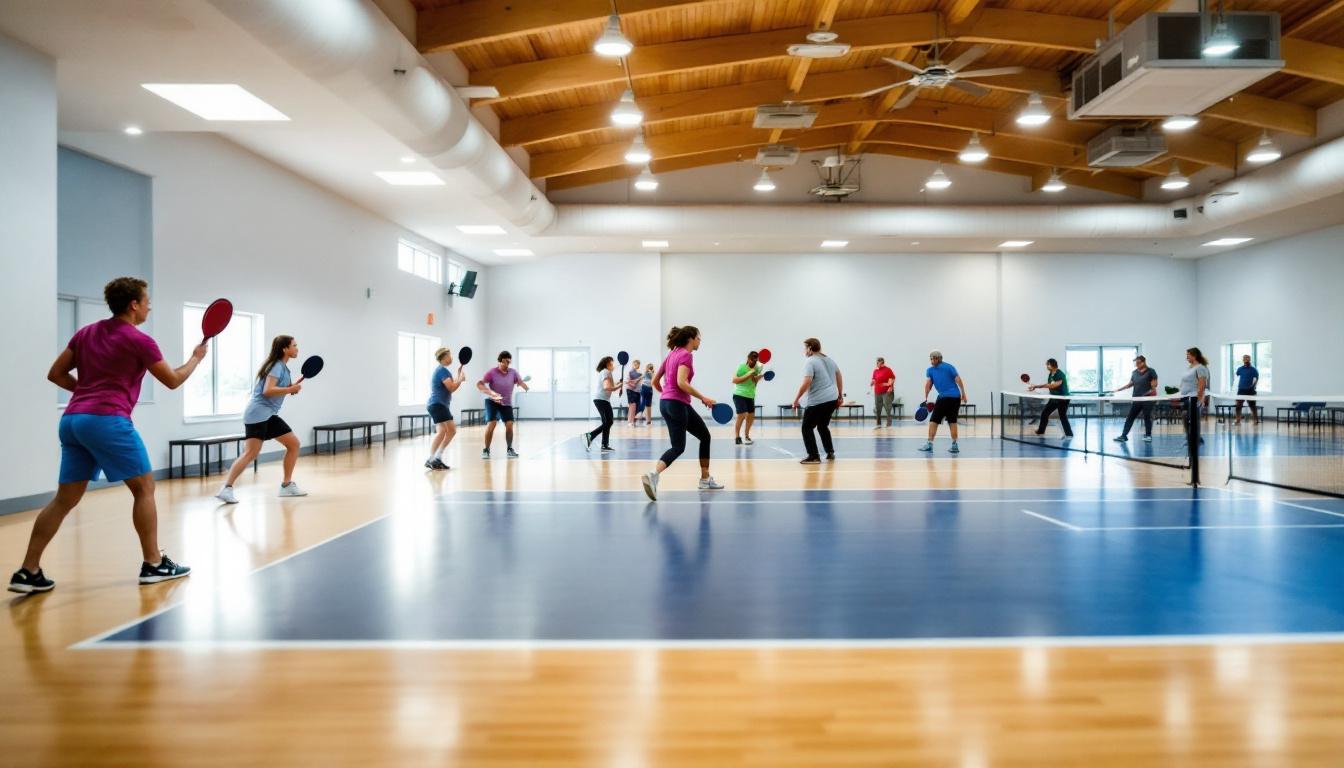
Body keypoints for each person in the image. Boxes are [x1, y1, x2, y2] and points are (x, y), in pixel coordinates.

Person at [9, 277, 202, 593]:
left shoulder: (86, 333)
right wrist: (196, 357)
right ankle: (154, 564)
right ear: (133, 304)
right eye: (146, 300)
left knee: (65, 498)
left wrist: (85, 393)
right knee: (144, 488)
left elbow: (55, 373)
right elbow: (172, 380)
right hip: (106, 420)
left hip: (72, 420)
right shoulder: (140, 340)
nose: (150, 305)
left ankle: (28, 571)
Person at [216, 335, 307, 502]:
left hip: (269, 414)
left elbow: (275, 390)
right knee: (250, 453)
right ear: (285, 349)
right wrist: (289, 389)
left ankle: (286, 485)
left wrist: (290, 388)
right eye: (294, 345)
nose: (297, 348)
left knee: (294, 444)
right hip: (258, 414)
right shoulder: (276, 366)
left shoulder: (283, 368)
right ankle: (226, 489)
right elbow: (268, 390)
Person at [641, 326, 723, 501]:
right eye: (699, 338)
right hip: (678, 404)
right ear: (692, 338)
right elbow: (681, 383)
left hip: (666, 403)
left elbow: (655, 381)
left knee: (701, 437)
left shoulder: (671, 354)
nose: (700, 341)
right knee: (682, 446)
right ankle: (654, 474)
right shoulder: (686, 355)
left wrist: (666, 394)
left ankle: (704, 479)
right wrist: (704, 398)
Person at [793, 339, 843, 464]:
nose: (804, 351)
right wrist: (840, 395)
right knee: (822, 426)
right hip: (832, 399)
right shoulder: (830, 360)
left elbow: (807, 382)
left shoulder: (810, 361)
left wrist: (796, 398)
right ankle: (830, 452)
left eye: (805, 348)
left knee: (806, 427)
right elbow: (839, 375)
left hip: (818, 401)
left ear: (810, 348)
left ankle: (814, 456)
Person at [477, 350, 529, 459]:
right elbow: (479, 384)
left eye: (509, 362)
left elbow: (520, 382)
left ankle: (510, 449)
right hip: (492, 402)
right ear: (499, 361)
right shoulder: (491, 372)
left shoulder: (513, 372)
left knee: (509, 425)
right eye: (505, 362)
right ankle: (486, 450)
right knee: (492, 424)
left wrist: (524, 385)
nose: (507, 365)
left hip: (506, 403)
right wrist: (491, 393)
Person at [424, 347, 466, 470]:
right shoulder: (442, 371)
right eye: (449, 355)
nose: (451, 357)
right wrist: (461, 380)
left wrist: (459, 375)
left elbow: (453, 384)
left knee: (447, 431)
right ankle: (433, 458)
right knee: (447, 431)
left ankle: (435, 458)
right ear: (443, 357)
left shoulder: (442, 371)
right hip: (438, 404)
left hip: (437, 405)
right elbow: (452, 388)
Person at [919, 350, 967, 453]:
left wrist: (926, 398)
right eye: (931, 358)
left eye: (934, 358)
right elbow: (958, 380)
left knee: (934, 421)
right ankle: (955, 445)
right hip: (956, 397)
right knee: (952, 421)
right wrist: (963, 394)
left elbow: (928, 385)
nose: (932, 360)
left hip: (945, 397)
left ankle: (929, 444)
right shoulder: (950, 367)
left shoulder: (931, 370)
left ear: (939, 358)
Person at [1112, 355, 1159, 443]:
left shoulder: (1151, 371)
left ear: (1143, 362)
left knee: (1147, 417)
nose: (1136, 364)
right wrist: (1118, 389)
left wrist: (1153, 388)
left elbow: (1154, 384)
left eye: (1138, 363)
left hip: (1147, 400)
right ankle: (1124, 436)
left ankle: (1148, 436)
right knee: (1130, 417)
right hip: (1137, 399)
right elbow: (1129, 384)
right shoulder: (1134, 372)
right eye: (1135, 363)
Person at [1028, 358, 1073, 439]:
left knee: (1062, 416)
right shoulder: (1050, 374)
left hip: (1063, 399)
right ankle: (1041, 431)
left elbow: (1053, 385)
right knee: (1045, 413)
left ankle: (1069, 434)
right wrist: (1036, 387)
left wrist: (1037, 386)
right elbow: (1049, 384)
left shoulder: (1060, 374)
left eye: (1048, 364)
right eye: (1047, 365)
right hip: (1054, 398)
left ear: (1053, 365)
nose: (1047, 366)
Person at [584, 356, 619, 453]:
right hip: (601, 400)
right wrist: (617, 387)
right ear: (607, 364)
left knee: (607, 422)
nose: (613, 365)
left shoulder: (606, 372)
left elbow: (609, 386)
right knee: (608, 422)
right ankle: (589, 436)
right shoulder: (606, 372)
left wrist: (618, 385)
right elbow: (607, 387)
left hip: (603, 400)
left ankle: (604, 444)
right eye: (612, 363)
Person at [731, 350, 764, 445]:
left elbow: (754, 382)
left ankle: (746, 436)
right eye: (752, 361)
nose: (754, 363)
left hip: (750, 395)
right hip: (739, 394)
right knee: (742, 414)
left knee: (751, 417)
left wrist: (760, 376)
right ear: (748, 359)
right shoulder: (741, 367)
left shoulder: (757, 368)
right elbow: (734, 380)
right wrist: (749, 374)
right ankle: (737, 437)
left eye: (756, 361)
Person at [1179, 347, 1210, 445]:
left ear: (1194, 356)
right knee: (1184, 415)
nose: (1186, 357)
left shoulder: (1200, 368)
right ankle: (1191, 436)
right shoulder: (1189, 368)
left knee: (1194, 418)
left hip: (1194, 397)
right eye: (1186, 355)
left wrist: (1200, 398)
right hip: (1185, 396)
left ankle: (1195, 438)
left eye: (1188, 355)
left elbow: (1202, 384)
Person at [1234, 354, 1260, 425]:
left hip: (1250, 390)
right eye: (1245, 358)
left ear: (1250, 359)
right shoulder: (1240, 369)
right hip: (1241, 390)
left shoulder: (1254, 369)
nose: (1246, 360)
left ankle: (1255, 420)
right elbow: (1236, 377)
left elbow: (1256, 379)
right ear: (1243, 360)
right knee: (1238, 406)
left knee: (1252, 406)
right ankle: (1237, 420)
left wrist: (1253, 386)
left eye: (1248, 358)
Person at [870, 357, 896, 429]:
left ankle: (889, 424)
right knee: (878, 408)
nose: (876, 364)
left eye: (878, 362)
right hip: (877, 391)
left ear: (881, 362)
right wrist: (872, 382)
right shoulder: (875, 371)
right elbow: (874, 379)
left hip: (886, 392)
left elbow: (893, 378)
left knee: (887, 407)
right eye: (876, 362)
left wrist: (890, 387)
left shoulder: (888, 370)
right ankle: (878, 424)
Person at [625, 358, 643, 426]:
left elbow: (638, 382)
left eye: (637, 364)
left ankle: (631, 421)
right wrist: (641, 377)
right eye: (635, 364)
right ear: (632, 365)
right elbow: (634, 382)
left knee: (634, 406)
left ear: (639, 365)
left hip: (637, 391)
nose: (636, 365)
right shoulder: (631, 372)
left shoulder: (638, 373)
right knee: (632, 405)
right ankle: (630, 422)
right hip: (631, 390)